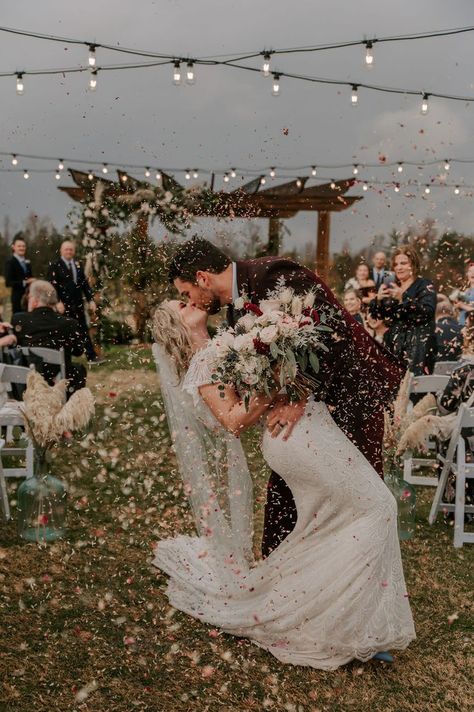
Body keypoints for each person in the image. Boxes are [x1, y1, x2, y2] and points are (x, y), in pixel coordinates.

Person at [150, 294, 415, 670]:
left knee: (333, 524)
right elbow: (232, 420)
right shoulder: (203, 362)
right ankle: (342, 624)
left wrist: (288, 366)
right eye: (180, 304)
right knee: (378, 507)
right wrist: (275, 383)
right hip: (294, 438)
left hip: (313, 425)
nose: (188, 300)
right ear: (175, 326)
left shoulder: (228, 340)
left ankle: (350, 623)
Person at [168, 237, 403, 558]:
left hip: (351, 396)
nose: (191, 301)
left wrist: (296, 395)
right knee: (286, 505)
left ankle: (351, 576)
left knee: (357, 499)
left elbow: (331, 328)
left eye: (187, 293)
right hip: (306, 423)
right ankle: (282, 573)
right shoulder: (235, 317)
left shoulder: (271, 273)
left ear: (202, 278)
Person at [369, 245, 437, 375]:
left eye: (403, 263)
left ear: (413, 265)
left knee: (414, 391)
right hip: (394, 346)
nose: (399, 267)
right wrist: (378, 300)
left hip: (418, 348)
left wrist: (403, 298)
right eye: (396, 264)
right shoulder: (393, 286)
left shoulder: (424, 284)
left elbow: (428, 312)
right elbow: (378, 316)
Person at [12, 280, 86, 396]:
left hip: (29, 385)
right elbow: (78, 351)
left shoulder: (19, 320)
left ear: (35, 300)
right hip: (59, 385)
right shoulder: (69, 324)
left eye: (30, 297)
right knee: (78, 369)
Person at [47, 240, 98, 363]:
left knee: (83, 329)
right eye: (66, 249)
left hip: (78, 304)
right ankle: (63, 359)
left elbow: (84, 284)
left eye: (71, 249)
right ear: (61, 251)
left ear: (74, 251)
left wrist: (91, 300)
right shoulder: (55, 266)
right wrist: (57, 302)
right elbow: (51, 287)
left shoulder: (78, 264)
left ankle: (91, 357)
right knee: (63, 332)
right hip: (62, 306)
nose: (69, 251)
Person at [5, 237, 35, 315]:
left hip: (29, 298)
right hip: (17, 299)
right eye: (19, 246)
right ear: (13, 247)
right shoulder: (10, 262)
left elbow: (30, 276)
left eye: (23, 246)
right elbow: (8, 283)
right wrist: (25, 282)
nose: (22, 248)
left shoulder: (27, 262)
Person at [453, 262, 474, 326]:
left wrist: (462, 306)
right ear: (467, 274)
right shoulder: (465, 291)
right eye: (470, 271)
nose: (473, 273)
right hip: (462, 328)